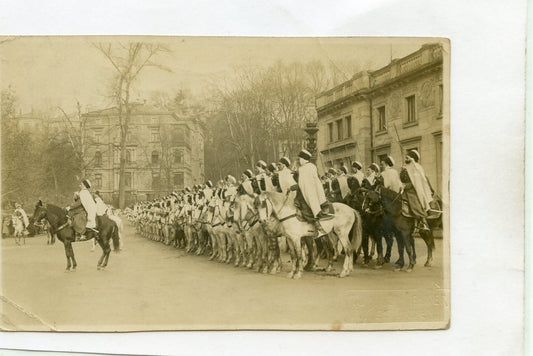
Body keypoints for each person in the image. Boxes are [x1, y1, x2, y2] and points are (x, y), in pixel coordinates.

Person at [400, 150, 434, 231]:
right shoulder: (405, 167)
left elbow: (417, 180)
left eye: (408, 156)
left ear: (413, 158)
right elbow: (402, 179)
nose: (406, 158)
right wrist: (402, 171)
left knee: (414, 202)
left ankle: (423, 221)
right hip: (404, 189)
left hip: (413, 190)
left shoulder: (417, 167)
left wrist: (408, 185)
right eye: (406, 157)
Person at [297, 149, 332, 220]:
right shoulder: (302, 168)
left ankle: (317, 214)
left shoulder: (310, 167)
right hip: (303, 189)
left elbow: (308, 182)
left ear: (303, 158)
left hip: (310, 189)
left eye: (300, 158)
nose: (299, 160)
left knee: (312, 198)